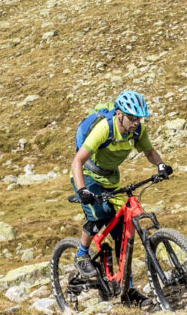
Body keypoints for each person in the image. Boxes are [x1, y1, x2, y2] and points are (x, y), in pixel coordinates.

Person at [71, 90, 173, 282]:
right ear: (120, 114)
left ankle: (127, 287)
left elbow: (149, 151)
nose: (136, 123)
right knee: (98, 215)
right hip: (87, 175)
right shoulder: (104, 129)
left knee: (123, 233)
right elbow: (77, 161)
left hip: (110, 179)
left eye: (139, 119)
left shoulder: (137, 131)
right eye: (132, 118)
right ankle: (82, 254)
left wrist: (160, 165)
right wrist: (83, 189)